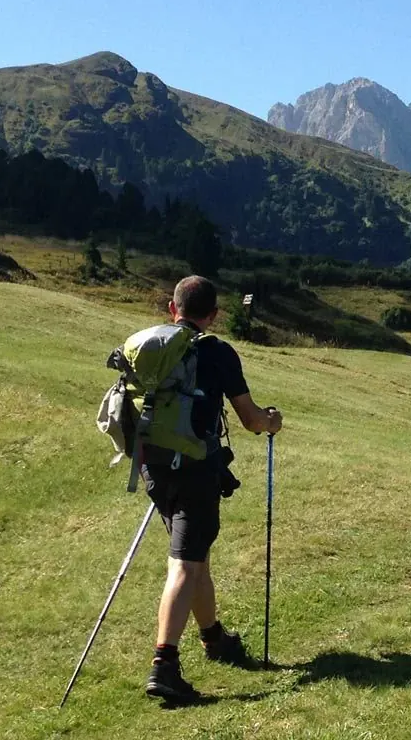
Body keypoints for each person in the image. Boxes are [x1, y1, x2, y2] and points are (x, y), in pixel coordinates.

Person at [143, 277, 284, 702]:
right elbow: (250, 418)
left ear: (173, 308)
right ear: (213, 315)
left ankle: (214, 638)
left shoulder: (154, 348)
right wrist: (272, 421)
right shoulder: (217, 352)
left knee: (194, 554)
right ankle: (164, 664)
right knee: (184, 565)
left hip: (154, 467)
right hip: (195, 470)